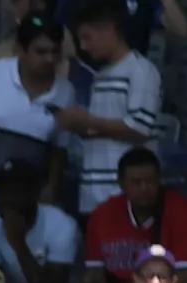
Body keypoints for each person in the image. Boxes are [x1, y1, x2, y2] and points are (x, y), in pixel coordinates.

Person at [0, 17, 71, 218]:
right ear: (20, 50)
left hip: (28, 194)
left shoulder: (66, 91)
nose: (49, 59)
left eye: (55, 52)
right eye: (41, 52)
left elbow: (59, 148)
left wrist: (51, 186)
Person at [59, 0, 162, 212]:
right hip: (91, 194)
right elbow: (102, 129)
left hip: (124, 196)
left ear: (109, 30)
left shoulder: (141, 70)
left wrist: (88, 121)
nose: (84, 47)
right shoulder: (101, 76)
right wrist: (78, 126)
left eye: (87, 38)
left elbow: (139, 128)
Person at [69, 146, 187, 283]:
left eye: (150, 181)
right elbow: (94, 271)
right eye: (136, 182)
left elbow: (185, 279)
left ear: (159, 180)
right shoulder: (102, 215)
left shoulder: (182, 212)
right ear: (121, 183)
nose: (144, 188)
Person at [0, 159, 78, 283]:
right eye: (2, 191)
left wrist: (18, 244)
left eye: (14, 191)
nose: (6, 198)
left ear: (34, 192)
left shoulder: (60, 224)